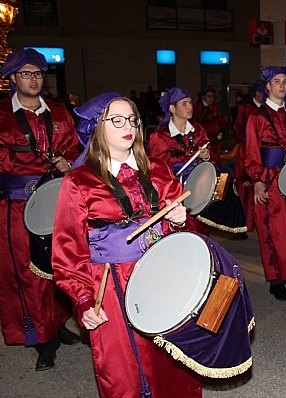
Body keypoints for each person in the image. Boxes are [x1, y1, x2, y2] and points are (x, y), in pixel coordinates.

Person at [51, 92, 202, 397]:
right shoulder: (78, 181)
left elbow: (187, 237)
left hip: (163, 278)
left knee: (172, 362)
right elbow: (67, 253)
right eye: (116, 120)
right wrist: (82, 301)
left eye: (131, 119)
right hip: (110, 286)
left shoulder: (158, 170)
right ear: (98, 127)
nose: (127, 126)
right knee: (123, 372)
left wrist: (179, 220)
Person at [0, 48, 82, 372]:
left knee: (58, 267)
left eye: (37, 74)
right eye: (25, 74)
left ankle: (57, 323)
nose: (33, 80)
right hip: (16, 207)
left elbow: (76, 150)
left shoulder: (61, 112)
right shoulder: (2, 115)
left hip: (57, 203)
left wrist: (68, 162)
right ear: (12, 79)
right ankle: (43, 340)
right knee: (25, 273)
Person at [245, 66, 286, 301]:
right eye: (277, 81)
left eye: (285, 81)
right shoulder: (256, 117)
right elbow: (251, 152)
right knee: (272, 229)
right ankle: (275, 278)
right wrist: (258, 180)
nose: (282, 85)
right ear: (268, 87)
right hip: (269, 178)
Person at [148, 87, 247, 237]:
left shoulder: (198, 130)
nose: (190, 106)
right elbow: (156, 170)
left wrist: (207, 156)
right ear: (172, 108)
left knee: (227, 177)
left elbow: (213, 159)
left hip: (200, 188)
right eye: (184, 103)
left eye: (190, 102)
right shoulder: (159, 136)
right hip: (176, 191)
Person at [233, 80, 265, 232]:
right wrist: (247, 141)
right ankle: (245, 222)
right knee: (246, 187)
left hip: (262, 153)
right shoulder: (245, 108)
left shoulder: (265, 110)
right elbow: (237, 127)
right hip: (246, 149)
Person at [192, 85, 228, 163]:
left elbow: (221, 120)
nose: (211, 98)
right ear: (203, 97)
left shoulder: (215, 107)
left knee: (215, 159)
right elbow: (195, 123)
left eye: (212, 96)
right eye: (209, 96)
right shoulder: (197, 108)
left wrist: (221, 131)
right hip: (202, 139)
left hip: (214, 139)